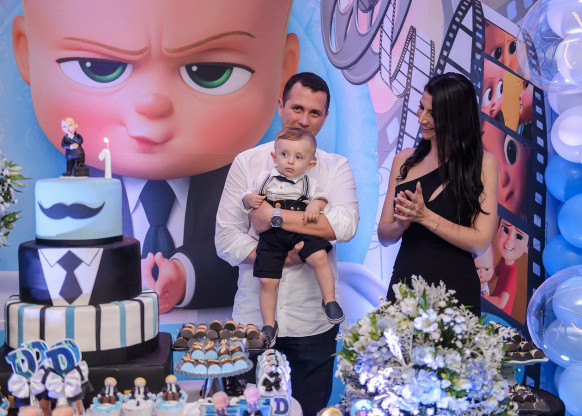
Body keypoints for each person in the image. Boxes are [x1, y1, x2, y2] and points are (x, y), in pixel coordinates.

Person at [12, 0, 299, 313]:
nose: (152, 104)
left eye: (211, 72)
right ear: (26, 53)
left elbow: (254, 254)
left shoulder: (248, 186)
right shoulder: (71, 198)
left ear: (283, 69)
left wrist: (186, 275)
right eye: (98, 68)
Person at [216, 72, 359, 416]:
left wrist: (272, 217)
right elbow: (226, 238)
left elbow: (343, 225)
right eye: (297, 108)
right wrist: (276, 257)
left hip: (312, 323)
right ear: (280, 105)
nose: (304, 120)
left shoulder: (335, 167)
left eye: (315, 112)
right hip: (253, 320)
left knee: (309, 410)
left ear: (325, 117)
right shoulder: (248, 162)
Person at [377, 72, 498, 316]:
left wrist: (425, 217)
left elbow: (480, 242)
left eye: (433, 113)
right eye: (421, 107)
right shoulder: (405, 160)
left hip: (455, 294)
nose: (422, 118)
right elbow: (384, 235)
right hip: (405, 287)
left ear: (456, 116)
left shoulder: (483, 164)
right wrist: (401, 226)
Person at [243, 127, 344, 346]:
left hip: (300, 230)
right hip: (271, 235)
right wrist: (249, 200)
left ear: (310, 164)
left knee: (319, 257)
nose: (290, 161)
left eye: (298, 157)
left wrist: (315, 206)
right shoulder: (264, 178)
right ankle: (269, 324)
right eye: (284, 154)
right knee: (267, 281)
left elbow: (321, 199)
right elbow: (247, 197)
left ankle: (329, 301)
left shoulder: (309, 183)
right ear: (274, 157)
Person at [483, 218, 529, 315]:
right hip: (492, 303)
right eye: (505, 229)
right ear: (497, 227)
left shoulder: (511, 273)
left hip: (500, 315)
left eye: (519, 237)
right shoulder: (503, 260)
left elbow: (501, 303)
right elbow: (494, 274)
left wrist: (486, 298)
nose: (508, 242)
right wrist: (484, 282)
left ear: (527, 247)